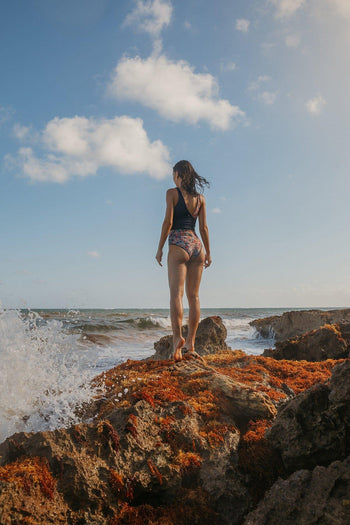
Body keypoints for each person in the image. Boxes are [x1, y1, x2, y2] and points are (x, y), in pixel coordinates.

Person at [155, 160, 212, 362]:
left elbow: (168, 222)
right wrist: (209, 253)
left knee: (176, 295)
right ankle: (191, 342)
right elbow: (204, 228)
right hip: (197, 246)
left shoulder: (172, 193)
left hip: (178, 244)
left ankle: (177, 342)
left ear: (179, 175)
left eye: (174, 174)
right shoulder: (200, 199)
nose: (173, 178)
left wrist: (160, 247)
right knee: (194, 297)